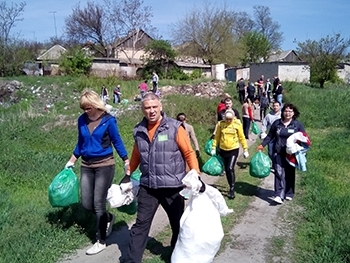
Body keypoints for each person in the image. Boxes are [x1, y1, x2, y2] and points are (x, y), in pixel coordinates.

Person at [121, 93, 203, 263]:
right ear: (142, 109)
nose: (151, 111)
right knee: (141, 225)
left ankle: (179, 255)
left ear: (160, 107)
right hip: (148, 187)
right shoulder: (139, 130)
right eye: (147, 108)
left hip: (173, 187)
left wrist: (196, 173)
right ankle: (131, 261)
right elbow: (137, 155)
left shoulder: (174, 127)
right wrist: (128, 174)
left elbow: (188, 152)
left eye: (154, 107)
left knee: (177, 224)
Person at [64, 90, 129, 255]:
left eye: (88, 108)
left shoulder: (109, 121)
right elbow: (81, 142)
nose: (86, 111)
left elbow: (117, 141)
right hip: (86, 165)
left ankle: (101, 241)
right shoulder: (82, 120)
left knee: (98, 203)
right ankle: (108, 218)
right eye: (83, 108)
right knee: (87, 203)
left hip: (105, 165)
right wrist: (72, 160)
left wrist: (126, 160)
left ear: (96, 105)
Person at [258, 103, 305, 204]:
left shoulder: (297, 125)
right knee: (278, 173)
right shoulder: (277, 123)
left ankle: (289, 193)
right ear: (282, 112)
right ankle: (278, 195)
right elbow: (270, 136)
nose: (287, 113)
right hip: (278, 152)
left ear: (293, 113)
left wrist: (301, 149)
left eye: (290, 111)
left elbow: (304, 138)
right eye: (286, 111)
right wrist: (262, 144)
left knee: (289, 174)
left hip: (291, 154)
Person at [211, 109, 249, 199]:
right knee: (227, 170)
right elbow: (217, 137)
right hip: (223, 149)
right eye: (227, 119)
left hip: (233, 149)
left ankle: (232, 189)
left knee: (230, 168)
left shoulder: (237, 124)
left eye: (230, 119)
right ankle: (230, 184)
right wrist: (213, 147)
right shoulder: (221, 124)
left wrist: (245, 149)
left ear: (233, 118)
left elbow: (242, 137)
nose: (228, 121)